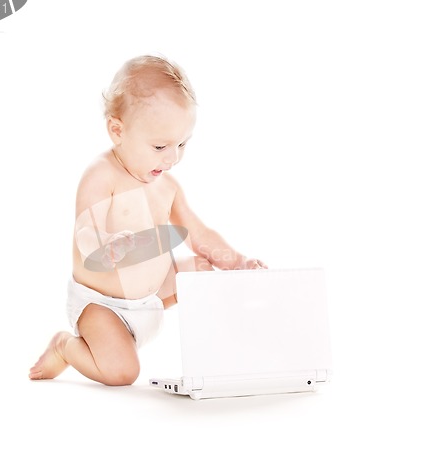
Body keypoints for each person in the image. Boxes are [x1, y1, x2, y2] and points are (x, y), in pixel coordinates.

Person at [29, 55, 267, 386]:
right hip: (103, 304)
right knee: (122, 372)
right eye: (159, 146)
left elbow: (199, 233)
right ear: (117, 130)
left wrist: (238, 262)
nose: (172, 158)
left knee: (201, 268)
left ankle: (224, 354)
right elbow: (85, 230)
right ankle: (65, 347)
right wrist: (105, 246)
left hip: (151, 298)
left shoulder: (165, 187)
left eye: (182, 144)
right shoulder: (102, 175)